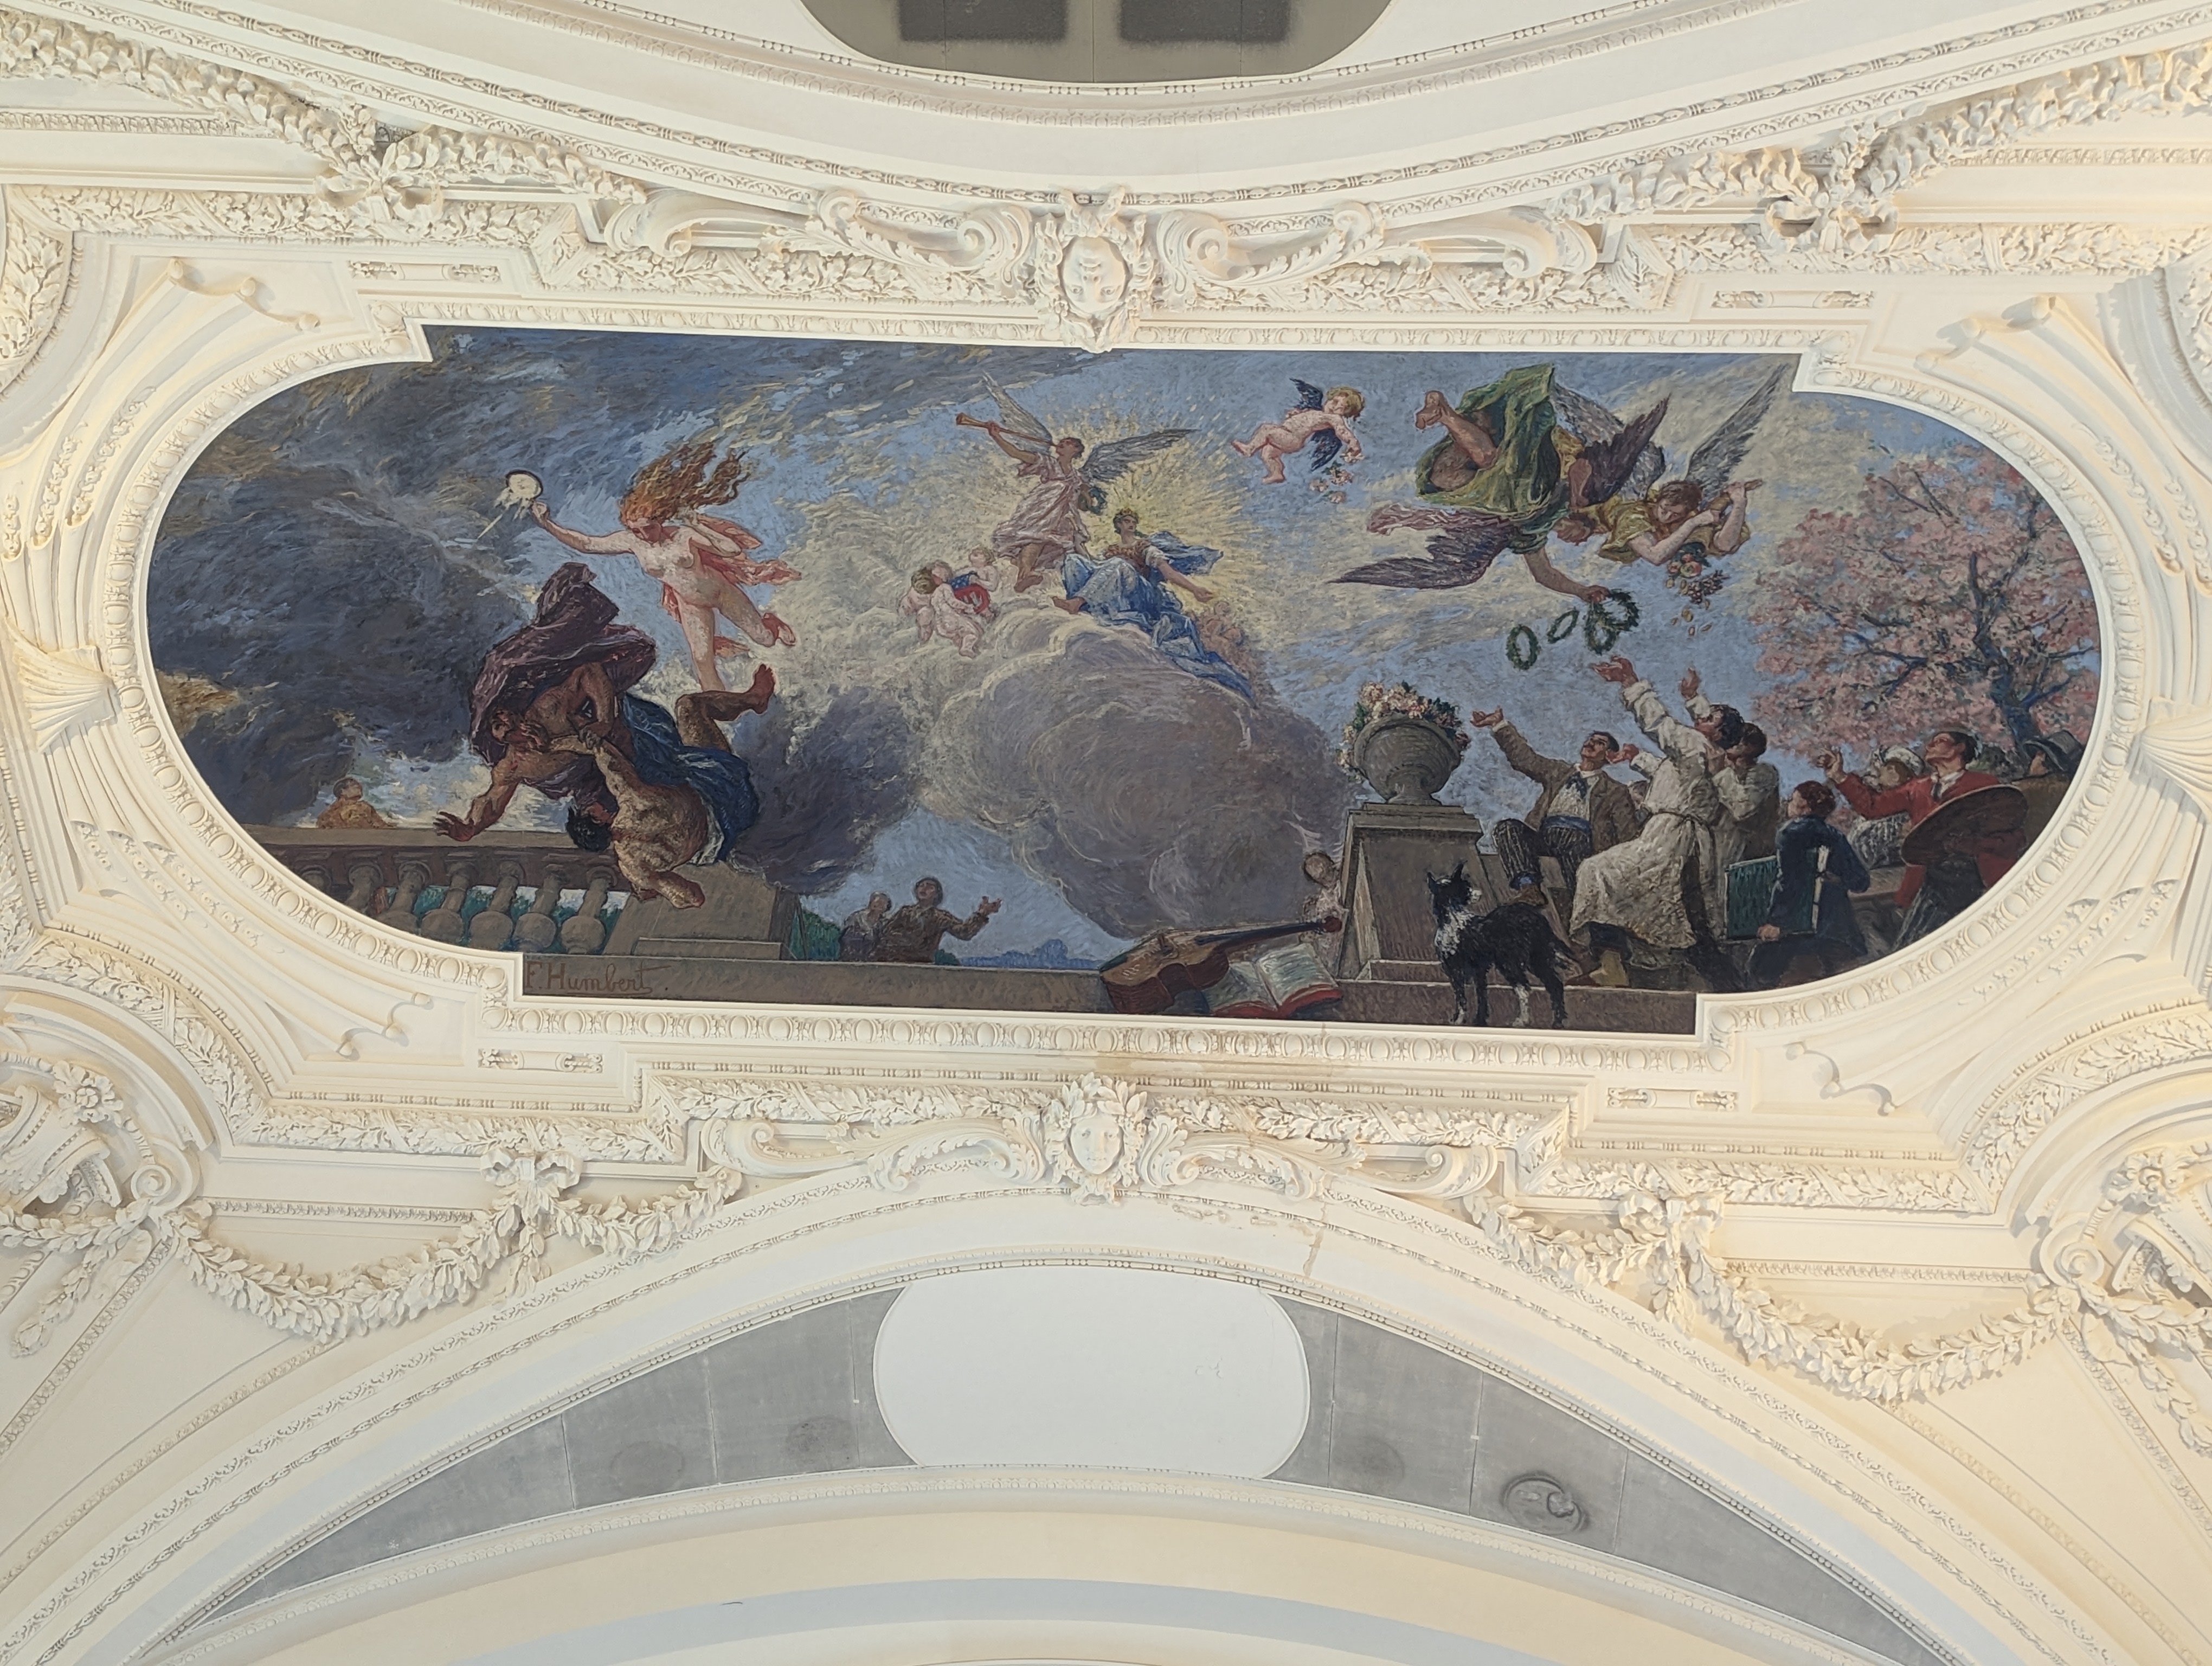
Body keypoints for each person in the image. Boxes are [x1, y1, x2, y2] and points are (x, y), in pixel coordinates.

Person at [528, 440, 800, 691]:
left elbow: (731, 549)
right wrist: (548, 524)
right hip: (690, 603)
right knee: (702, 658)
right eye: (636, 530)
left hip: (720, 592)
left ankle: (771, 622)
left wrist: (697, 525)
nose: (643, 535)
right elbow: (587, 544)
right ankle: (719, 707)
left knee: (765, 639)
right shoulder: (633, 541)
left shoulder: (683, 535)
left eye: (647, 528)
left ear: (660, 520)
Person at [1568, 656, 1741, 992]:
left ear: (1719, 733)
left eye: (1709, 719)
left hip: (1670, 839)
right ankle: (1730, 988)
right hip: (1681, 838)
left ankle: (1611, 967)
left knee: (1597, 871)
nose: (1700, 718)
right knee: (1689, 920)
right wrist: (1636, 758)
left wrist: (1631, 682)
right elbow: (1674, 777)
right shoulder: (1705, 752)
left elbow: (1659, 723)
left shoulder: (1698, 744)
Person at [1819, 727, 2009, 946]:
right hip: (1932, 881)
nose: (1930, 746)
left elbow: (2006, 833)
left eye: (1940, 741)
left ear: (1960, 748)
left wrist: (1970, 845)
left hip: (1975, 877)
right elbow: (1872, 807)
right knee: (1913, 945)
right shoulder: (1918, 788)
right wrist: (1839, 776)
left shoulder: (1984, 784)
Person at [1054, 509, 1251, 698]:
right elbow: (1096, 569)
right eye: (1127, 521)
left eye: (1134, 522)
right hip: (1118, 592)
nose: (1131, 525)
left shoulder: (1144, 547)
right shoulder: (1111, 551)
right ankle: (1083, 602)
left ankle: (1077, 603)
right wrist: (1079, 544)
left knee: (1119, 565)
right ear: (1118, 525)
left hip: (1142, 596)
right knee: (1073, 561)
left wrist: (1194, 589)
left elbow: (1168, 572)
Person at [1466, 710, 1639, 909]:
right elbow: (1525, 760)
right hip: (1545, 835)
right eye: (1590, 740)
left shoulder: (1615, 791)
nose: (1591, 743)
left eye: (1600, 743)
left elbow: (1627, 833)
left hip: (1581, 840)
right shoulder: (1559, 772)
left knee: (1577, 850)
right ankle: (1529, 889)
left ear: (1609, 755)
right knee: (1508, 828)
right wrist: (1499, 725)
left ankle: (1585, 907)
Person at [1748, 781, 1872, 988]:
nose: (1788, 804)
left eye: (1793, 801)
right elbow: (1860, 882)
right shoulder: (1835, 836)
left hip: (1798, 929)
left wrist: (1777, 922)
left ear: (1805, 808)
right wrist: (1833, 880)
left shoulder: (1789, 833)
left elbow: (1789, 881)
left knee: (1763, 974)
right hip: (1838, 930)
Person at [1678, 674, 1779, 867]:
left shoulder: (1763, 773)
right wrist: (1692, 698)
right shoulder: (1719, 763)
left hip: (1746, 856)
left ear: (1748, 748)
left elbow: (1742, 808)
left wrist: (1721, 773)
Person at [1232, 383, 1364, 484]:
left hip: (1292, 439)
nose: (1336, 407)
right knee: (1268, 454)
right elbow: (1304, 420)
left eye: (1343, 408)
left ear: (1347, 413)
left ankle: (1249, 449)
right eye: (1335, 402)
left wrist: (1352, 442)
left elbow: (1342, 431)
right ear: (1329, 399)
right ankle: (1277, 474)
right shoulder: (1317, 413)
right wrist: (1295, 414)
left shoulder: (1334, 418)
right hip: (1286, 434)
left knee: (1267, 429)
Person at [877, 879, 1001, 964]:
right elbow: (887, 933)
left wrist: (981, 914)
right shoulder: (905, 912)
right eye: (922, 885)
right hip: (893, 961)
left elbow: (964, 932)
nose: (924, 888)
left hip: (920, 964)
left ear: (937, 894)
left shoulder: (940, 917)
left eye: (930, 887)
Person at [1846, 746, 1924, 872]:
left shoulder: (1902, 808)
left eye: (1887, 768)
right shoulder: (1882, 803)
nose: (1879, 770)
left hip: (1882, 872)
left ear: (1895, 773)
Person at [316, 777, 393, 830]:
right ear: (342, 791)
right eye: (353, 786)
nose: (359, 787)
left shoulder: (365, 807)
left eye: (359, 786)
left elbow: (381, 825)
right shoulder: (362, 807)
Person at [840, 893, 892, 962]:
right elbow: (847, 937)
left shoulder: (885, 922)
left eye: (882, 904)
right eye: (876, 902)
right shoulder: (857, 917)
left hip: (874, 957)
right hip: (855, 954)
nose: (878, 905)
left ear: (886, 907)